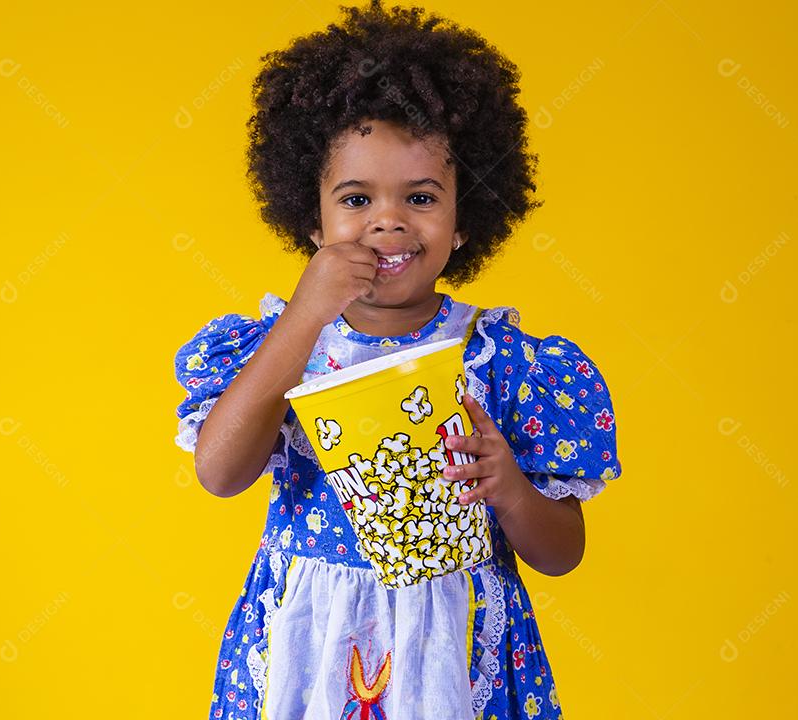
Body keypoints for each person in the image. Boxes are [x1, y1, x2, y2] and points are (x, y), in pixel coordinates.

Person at [173, 1, 621, 717]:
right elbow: (220, 473)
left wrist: (509, 485)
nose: (388, 220)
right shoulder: (282, 346)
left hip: (456, 645)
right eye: (356, 199)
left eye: (420, 197)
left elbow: (562, 552)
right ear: (311, 218)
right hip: (309, 644)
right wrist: (304, 317)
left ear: (464, 217)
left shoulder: (503, 361)